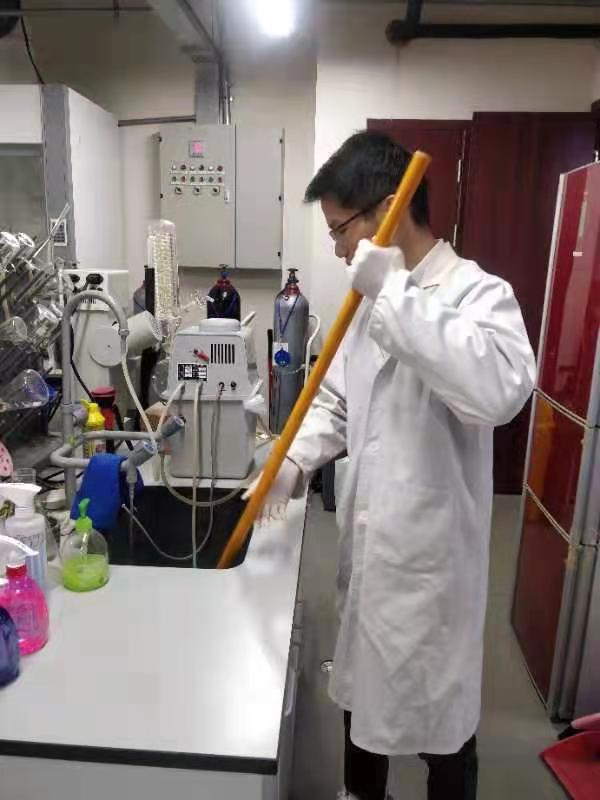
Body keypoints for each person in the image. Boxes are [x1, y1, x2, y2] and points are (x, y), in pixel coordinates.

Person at [248, 131, 536, 800]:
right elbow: (338, 402)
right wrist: (292, 462)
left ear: (387, 210)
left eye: (340, 228)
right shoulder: (368, 302)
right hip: (371, 553)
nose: (337, 248)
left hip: (433, 573)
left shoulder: (477, 293)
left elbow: (497, 393)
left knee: (444, 736)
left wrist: (396, 295)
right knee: (362, 705)